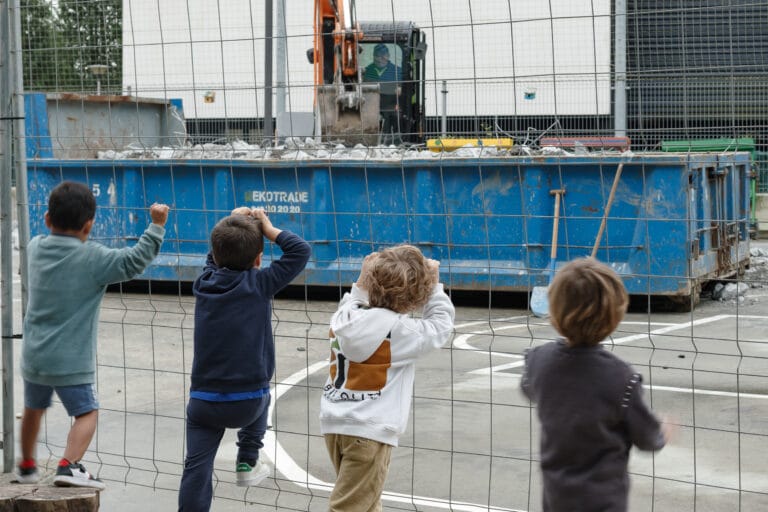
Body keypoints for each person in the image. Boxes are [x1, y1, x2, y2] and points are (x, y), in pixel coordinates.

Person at [16, 181, 169, 489]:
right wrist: (155, 226)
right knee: (86, 412)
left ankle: (27, 464)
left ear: (47, 219)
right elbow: (133, 261)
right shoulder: (94, 259)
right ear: (89, 225)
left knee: (33, 409)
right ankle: (68, 465)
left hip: (34, 356)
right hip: (70, 361)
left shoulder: (33, 248)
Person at [178, 207, 311, 512]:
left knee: (196, 469)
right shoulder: (260, 284)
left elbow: (215, 257)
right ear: (258, 259)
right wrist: (268, 228)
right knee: (263, 390)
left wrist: (232, 224)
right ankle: (247, 460)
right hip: (248, 403)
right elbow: (300, 251)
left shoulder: (204, 285)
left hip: (202, 401)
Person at [521, 258, 674, 512]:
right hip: (603, 500)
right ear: (614, 317)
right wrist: (662, 432)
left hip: (557, 497)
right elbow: (647, 438)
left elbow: (529, 389)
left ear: (555, 311)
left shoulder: (538, 361)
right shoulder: (621, 378)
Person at [319, 245, 455, 511]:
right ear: (415, 296)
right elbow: (440, 326)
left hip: (335, 423)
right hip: (369, 431)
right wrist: (435, 288)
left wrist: (362, 279)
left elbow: (352, 298)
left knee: (366, 502)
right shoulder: (401, 330)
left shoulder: (345, 316)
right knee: (349, 506)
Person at [364, 43, 403, 145]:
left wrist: (401, 89)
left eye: (383, 55)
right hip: (371, 107)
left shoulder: (398, 71)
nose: (381, 59)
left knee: (396, 117)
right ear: (373, 56)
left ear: (388, 56)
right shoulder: (367, 71)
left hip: (392, 106)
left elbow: (407, 89)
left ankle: (395, 143)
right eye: (377, 56)